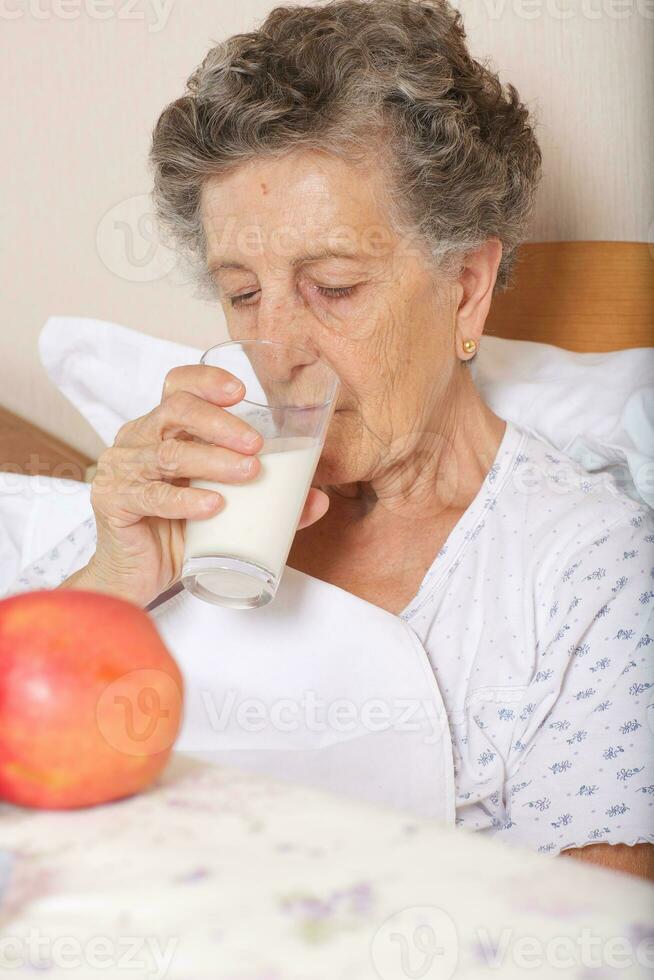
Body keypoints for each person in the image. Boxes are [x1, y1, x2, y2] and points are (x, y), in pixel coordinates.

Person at [27, 0, 653, 876]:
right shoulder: (187, 489)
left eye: (333, 285)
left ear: (467, 286)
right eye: (242, 294)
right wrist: (109, 584)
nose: (278, 351)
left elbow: (592, 938)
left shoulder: (584, 570)